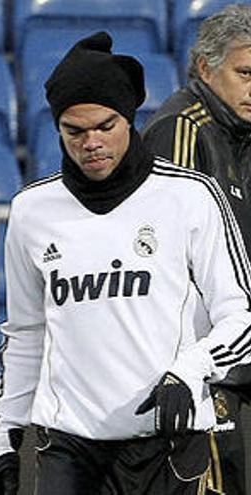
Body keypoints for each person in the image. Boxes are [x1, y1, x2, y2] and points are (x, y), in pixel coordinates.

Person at [0, 31, 251, 495]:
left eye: (105, 126)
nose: (91, 142)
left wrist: (190, 370)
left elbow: (240, 315)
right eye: (75, 130)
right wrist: (4, 437)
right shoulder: (31, 210)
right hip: (67, 444)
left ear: (129, 119)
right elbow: (27, 334)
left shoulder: (189, 196)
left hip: (166, 440)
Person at [141, 5, 251, 493]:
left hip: (240, 338)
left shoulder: (241, 133)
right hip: (206, 352)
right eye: (245, 74)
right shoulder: (182, 129)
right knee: (214, 478)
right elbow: (169, 256)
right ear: (206, 69)